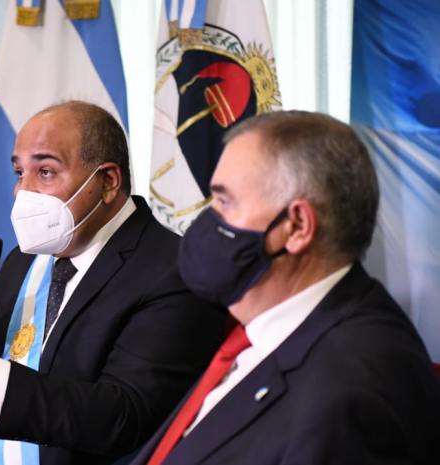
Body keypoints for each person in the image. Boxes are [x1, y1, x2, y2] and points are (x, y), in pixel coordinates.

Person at [0, 101, 227, 465]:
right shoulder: (26, 257)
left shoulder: (173, 271)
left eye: (46, 172)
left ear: (107, 181)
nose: (23, 192)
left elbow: (123, 419)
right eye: (19, 172)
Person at [131, 110, 440, 465]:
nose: (207, 219)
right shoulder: (266, 329)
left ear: (296, 227)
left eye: (225, 201)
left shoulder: (349, 391)